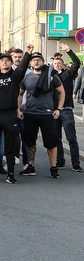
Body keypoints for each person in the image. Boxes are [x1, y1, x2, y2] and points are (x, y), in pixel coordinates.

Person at [0, 46, 32, 183]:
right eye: (2, 60)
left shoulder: (15, 77)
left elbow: (21, 69)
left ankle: (10, 174)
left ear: (11, 63)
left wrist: (27, 54)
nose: (5, 62)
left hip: (10, 115)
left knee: (10, 147)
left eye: (7, 61)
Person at [18, 51, 65, 179]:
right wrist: (19, 110)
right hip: (30, 114)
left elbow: (62, 92)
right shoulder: (26, 77)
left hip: (47, 114)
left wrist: (58, 109)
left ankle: (54, 168)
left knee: (51, 142)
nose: (36, 62)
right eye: (34, 60)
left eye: (39, 60)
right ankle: (30, 166)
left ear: (43, 62)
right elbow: (20, 94)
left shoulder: (51, 76)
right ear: (30, 63)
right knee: (29, 142)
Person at [51, 43, 81, 171]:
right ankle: (60, 161)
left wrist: (69, 50)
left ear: (62, 64)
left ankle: (76, 164)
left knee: (71, 138)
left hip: (67, 109)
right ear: (53, 65)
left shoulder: (68, 74)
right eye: (55, 63)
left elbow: (77, 63)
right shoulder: (50, 76)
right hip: (54, 110)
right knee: (56, 138)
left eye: (59, 63)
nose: (57, 65)